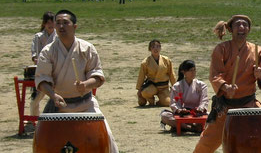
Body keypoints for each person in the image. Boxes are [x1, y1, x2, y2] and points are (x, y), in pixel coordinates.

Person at [34, 9, 119, 153]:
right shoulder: (48, 51)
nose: (61, 27)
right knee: (46, 144)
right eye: (58, 23)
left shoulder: (87, 48)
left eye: (65, 23)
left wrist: (86, 84)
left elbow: (97, 76)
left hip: (86, 104)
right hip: (59, 106)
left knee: (107, 139)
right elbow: (42, 80)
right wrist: (53, 96)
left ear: (74, 26)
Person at [193, 14, 261, 152]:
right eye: (237, 24)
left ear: (249, 29)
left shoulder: (257, 50)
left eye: (245, 25)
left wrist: (260, 74)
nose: (241, 27)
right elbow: (215, 74)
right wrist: (225, 86)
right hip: (225, 106)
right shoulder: (221, 49)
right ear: (230, 29)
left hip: (249, 105)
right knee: (207, 143)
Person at [160, 60, 208, 132]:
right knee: (164, 115)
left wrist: (200, 109)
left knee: (212, 116)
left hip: (197, 114)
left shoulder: (201, 85)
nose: (193, 72)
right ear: (183, 72)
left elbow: (204, 100)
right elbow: (174, 102)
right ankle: (191, 128)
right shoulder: (177, 86)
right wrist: (179, 110)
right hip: (183, 115)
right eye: (190, 70)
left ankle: (182, 126)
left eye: (194, 70)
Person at [30, 11, 57, 116]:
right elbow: (35, 53)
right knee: (34, 101)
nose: (50, 25)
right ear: (44, 24)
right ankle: (34, 121)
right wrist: (36, 59)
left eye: (52, 22)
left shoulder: (59, 36)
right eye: (48, 23)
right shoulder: (38, 36)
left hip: (56, 71)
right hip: (42, 72)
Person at [136, 40, 176, 106]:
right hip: (152, 86)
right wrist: (139, 90)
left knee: (167, 103)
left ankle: (159, 102)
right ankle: (151, 100)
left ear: (160, 48)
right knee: (143, 99)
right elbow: (141, 76)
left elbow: (171, 74)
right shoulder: (145, 62)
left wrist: (175, 87)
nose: (155, 49)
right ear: (150, 49)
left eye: (158, 46)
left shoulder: (166, 60)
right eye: (153, 47)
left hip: (163, 87)